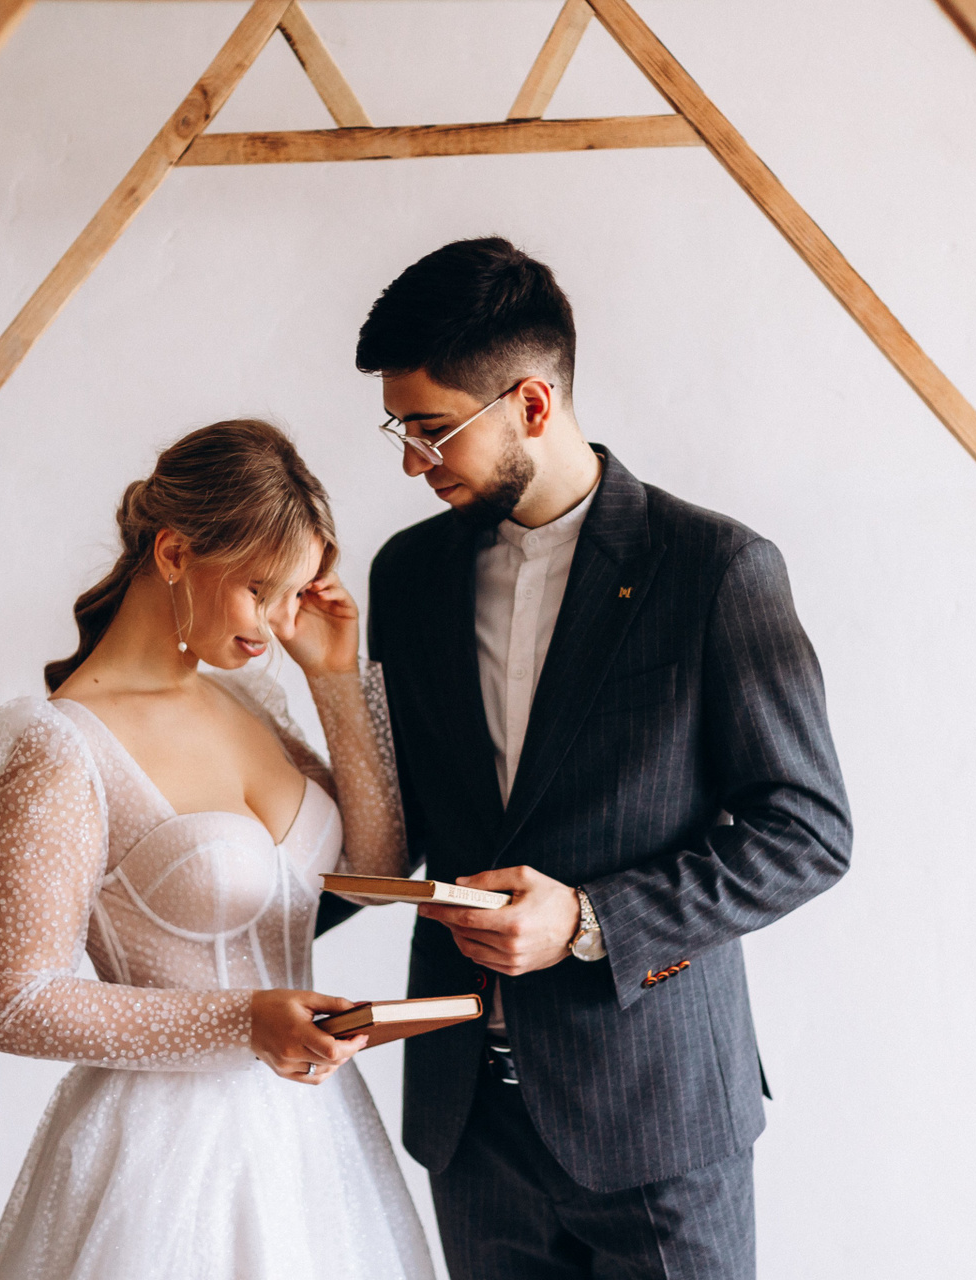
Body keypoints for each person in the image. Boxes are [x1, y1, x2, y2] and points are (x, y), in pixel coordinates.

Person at [344, 238, 853, 1278]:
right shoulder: (406, 574)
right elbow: (399, 818)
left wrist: (588, 920)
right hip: (466, 1121)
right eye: (401, 430)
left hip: (657, 1119)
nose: (412, 462)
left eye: (433, 430)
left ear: (532, 403)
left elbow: (806, 831)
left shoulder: (717, 569)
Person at [0, 420, 434, 1280]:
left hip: (315, 1148)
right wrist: (241, 1020)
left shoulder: (251, 703)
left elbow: (376, 875)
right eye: (260, 589)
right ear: (175, 553)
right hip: (164, 1169)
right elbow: (16, 1003)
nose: (275, 624)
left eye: (292, 594)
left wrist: (334, 678)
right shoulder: (62, 747)